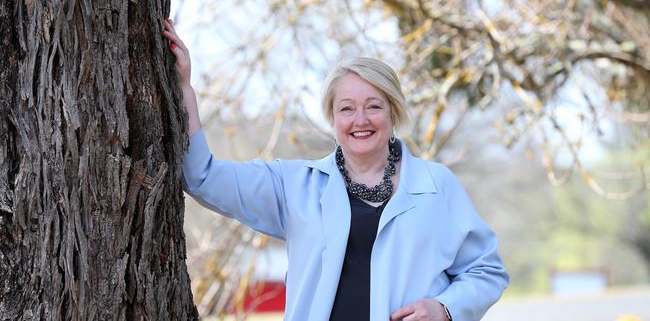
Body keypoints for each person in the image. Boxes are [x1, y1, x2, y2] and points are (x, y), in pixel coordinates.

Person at [163, 19, 509, 321]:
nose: (360, 120)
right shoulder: (295, 186)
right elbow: (203, 177)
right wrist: (184, 89)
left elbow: (486, 270)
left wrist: (445, 309)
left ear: (393, 113)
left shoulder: (436, 186)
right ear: (332, 118)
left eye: (374, 106)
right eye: (347, 108)